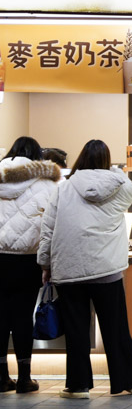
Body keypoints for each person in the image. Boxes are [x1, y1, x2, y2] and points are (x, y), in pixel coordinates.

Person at [38, 140, 132, 398]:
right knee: (116, 327)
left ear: (81, 158)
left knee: (76, 330)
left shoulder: (63, 189)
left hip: (69, 268)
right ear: (107, 161)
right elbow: (131, 187)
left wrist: (45, 263)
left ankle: (78, 386)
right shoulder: (120, 188)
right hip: (106, 269)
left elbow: (48, 228)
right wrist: (115, 172)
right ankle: (127, 380)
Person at [0, 137, 63, 394]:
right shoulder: (47, 185)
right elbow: (52, 225)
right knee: (22, 317)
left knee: (0, 317)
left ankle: (2, 377)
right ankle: (24, 378)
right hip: (29, 260)